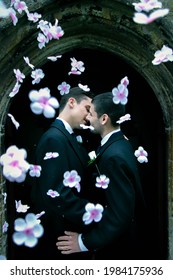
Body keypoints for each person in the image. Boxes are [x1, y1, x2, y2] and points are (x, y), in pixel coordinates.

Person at [56, 91, 147, 260]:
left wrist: (84, 242)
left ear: (104, 119)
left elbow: (121, 216)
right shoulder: (118, 144)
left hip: (117, 250)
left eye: (91, 113)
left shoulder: (113, 156)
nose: (87, 118)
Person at [31, 87, 95, 260]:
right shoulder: (54, 138)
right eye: (87, 109)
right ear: (72, 102)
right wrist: (93, 213)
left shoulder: (69, 136)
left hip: (70, 230)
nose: (89, 117)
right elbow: (56, 193)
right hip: (62, 236)